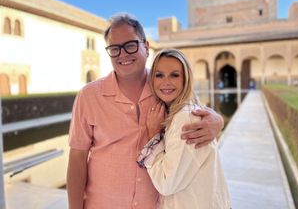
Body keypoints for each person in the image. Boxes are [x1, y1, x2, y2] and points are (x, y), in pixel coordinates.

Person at [67, 13, 224, 209]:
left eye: (130, 45)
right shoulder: (89, 96)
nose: (123, 54)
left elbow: (193, 108)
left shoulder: (165, 88)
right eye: (114, 49)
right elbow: (77, 158)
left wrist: (217, 120)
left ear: (146, 47)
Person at [137, 49, 231, 209]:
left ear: (185, 79)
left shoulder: (186, 118)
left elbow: (166, 183)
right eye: (159, 75)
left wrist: (153, 136)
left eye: (174, 75)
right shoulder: (179, 113)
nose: (166, 82)